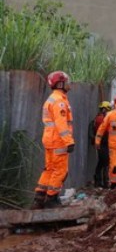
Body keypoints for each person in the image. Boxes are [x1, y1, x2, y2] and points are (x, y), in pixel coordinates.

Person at [32, 71, 74, 209]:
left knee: (49, 169)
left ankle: (39, 198)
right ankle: (51, 199)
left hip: (50, 139)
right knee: (60, 171)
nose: (69, 83)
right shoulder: (59, 101)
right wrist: (69, 141)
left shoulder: (52, 98)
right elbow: (61, 124)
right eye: (67, 81)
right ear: (60, 84)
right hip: (58, 141)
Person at [91, 101, 112, 188]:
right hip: (102, 143)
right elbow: (103, 132)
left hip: (103, 143)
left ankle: (99, 181)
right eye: (107, 110)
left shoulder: (101, 118)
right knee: (105, 162)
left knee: (102, 162)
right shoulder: (100, 119)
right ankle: (103, 181)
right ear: (104, 109)